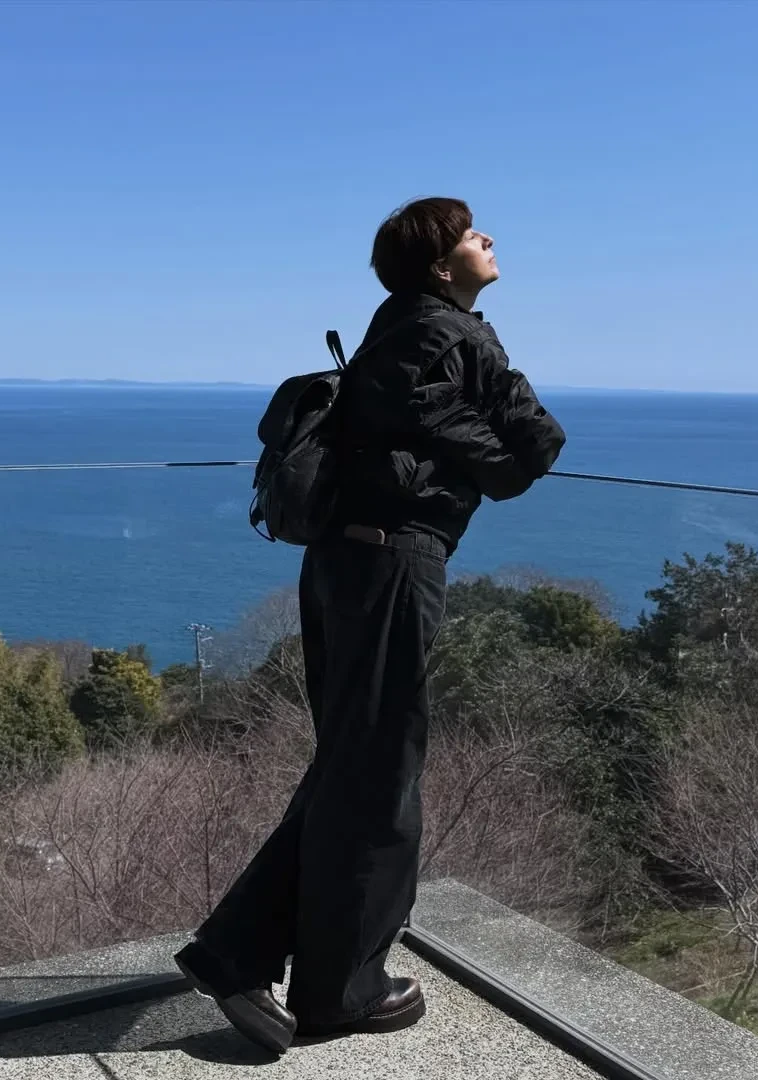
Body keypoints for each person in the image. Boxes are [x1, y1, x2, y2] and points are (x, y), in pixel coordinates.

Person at [174, 197, 566, 1054]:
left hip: (339, 564)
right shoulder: (454, 333)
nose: (488, 238)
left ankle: (247, 954)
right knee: (380, 776)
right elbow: (535, 449)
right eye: (470, 233)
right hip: (393, 564)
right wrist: (493, 444)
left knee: (352, 766)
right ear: (441, 266)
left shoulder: (390, 329)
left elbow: (444, 432)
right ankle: (332, 988)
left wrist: (476, 445)